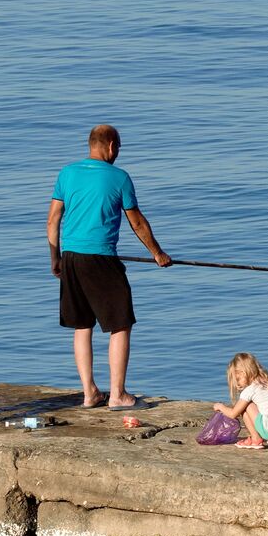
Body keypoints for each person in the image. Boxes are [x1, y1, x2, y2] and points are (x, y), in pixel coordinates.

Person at [47, 124, 173, 410]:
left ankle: (89, 393)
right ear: (112, 146)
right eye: (119, 148)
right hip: (101, 258)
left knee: (82, 325)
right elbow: (136, 222)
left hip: (71, 257)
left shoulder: (67, 173)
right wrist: (157, 253)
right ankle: (117, 394)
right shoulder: (119, 178)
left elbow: (53, 219)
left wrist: (55, 257)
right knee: (120, 324)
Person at [213, 352, 268, 449]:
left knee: (246, 406)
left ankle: (256, 439)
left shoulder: (250, 390)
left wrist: (220, 406)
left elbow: (233, 414)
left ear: (243, 373)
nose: (237, 384)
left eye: (238, 379)